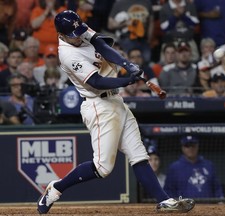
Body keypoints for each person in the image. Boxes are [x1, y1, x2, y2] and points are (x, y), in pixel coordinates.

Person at [36, 10, 195, 214]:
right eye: (73, 36)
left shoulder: (78, 29)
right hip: (98, 105)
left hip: (116, 101)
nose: (78, 37)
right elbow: (96, 82)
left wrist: (127, 65)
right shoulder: (67, 54)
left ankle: (163, 201)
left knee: (139, 156)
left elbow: (101, 45)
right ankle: (56, 188)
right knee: (102, 168)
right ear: (61, 35)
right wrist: (127, 80)